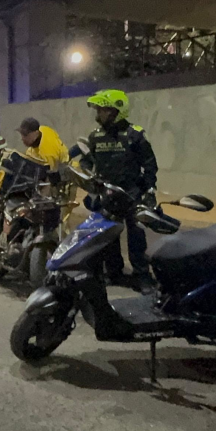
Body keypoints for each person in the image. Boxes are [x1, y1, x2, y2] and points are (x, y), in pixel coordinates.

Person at [76, 90, 159, 287]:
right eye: (97, 110)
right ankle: (114, 273)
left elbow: (149, 164)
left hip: (132, 193)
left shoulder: (135, 134)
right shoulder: (95, 137)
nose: (98, 114)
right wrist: (89, 177)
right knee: (108, 236)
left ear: (116, 111)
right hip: (107, 194)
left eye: (102, 110)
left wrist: (148, 190)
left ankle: (141, 275)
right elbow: (86, 162)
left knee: (136, 237)